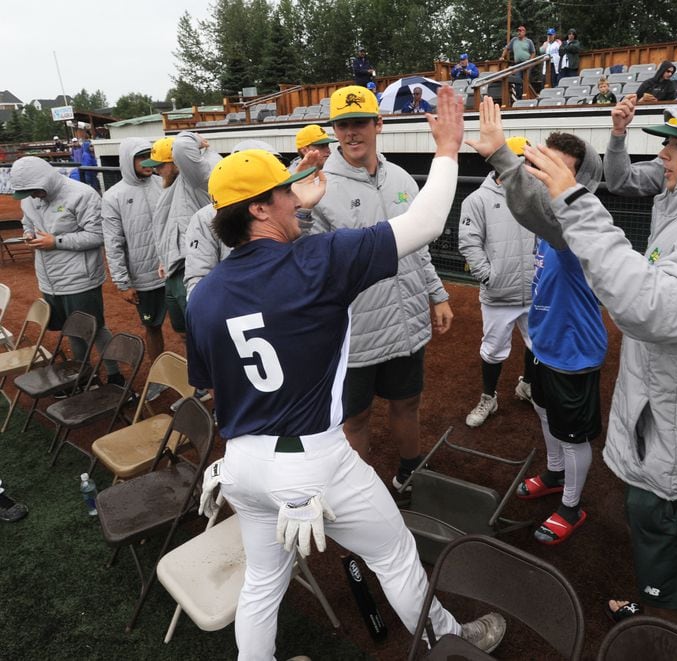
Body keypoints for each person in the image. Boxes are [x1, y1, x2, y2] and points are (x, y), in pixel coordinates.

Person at [187, 86, 506, 661]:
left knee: (262, 584)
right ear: (260, 208)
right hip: (312, 463)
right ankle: (457, 641)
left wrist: (299, 208)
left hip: (241, 465)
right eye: (283, 192)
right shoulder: (317, 259)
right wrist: (448, 148)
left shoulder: (205, 294)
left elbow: (210, 383)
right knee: (395, 556)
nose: (294, 197)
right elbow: (429, 220)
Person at [529, 92, 677, 630]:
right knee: (665, 563)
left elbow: (649, 308)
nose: (663, 155)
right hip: (675, 420)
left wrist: (574, 199)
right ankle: (658, 601)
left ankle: (669, 626)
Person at [467, 103, 608, 547]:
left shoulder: (577, 220)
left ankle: (571, 504)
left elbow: (534, 213)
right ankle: (553, 473)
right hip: (547, 343)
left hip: (573, 351)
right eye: (540, 164)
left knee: (572, 432)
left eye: (556, 169)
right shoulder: (554, 217)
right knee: (546, 414)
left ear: (581, 181)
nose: (543, 175)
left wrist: (502, 161)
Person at [311, 85, 454, 490]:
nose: (351, 133)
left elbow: (417, 245)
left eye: (359, 123)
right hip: (357, 331)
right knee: (355, 417)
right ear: (334, 131)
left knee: (407, 402)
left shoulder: (402, 178)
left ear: (379, 124)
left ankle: (410, 471)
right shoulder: (321, 186)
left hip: (406, 322)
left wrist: (437, 292)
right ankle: (359, 491)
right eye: (343, 125)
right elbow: (309, 260)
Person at [10, 156, 124, 385]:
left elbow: (98, 234)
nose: (33, 196)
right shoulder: (29, 200)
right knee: (69, 329)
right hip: (49, 278)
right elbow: (27, 223)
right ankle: (83, 376)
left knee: (93, 327)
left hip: (80, 278)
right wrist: (28, 235)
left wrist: (57, 241)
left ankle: (115, 375)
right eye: (28, 193)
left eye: (35, 191)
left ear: (46, 180)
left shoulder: (81, 194)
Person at [457, 136, 537, 428]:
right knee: (492, 350)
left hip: (534, 290)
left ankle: (527, 385)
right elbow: (469, 242)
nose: (524, 166)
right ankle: (488, 398)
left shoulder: (537, 193)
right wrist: (488, 276)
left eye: (527, 160)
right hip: (499, 293)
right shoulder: (478, 199)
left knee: (537, 345)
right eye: (519, 159)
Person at [185, 140, 310, 298]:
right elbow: (198, 280)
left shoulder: (286, 204)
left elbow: (300, 253)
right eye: (263, 165)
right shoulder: (205, 217)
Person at [101, 138, 168, 398]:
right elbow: (113, 243)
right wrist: (122, 282)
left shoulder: (164, 183)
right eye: (140, 157)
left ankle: (196, 380)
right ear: (128, 160)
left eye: (149, 156)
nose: (147, 162)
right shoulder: (113, 196)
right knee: (153, 327)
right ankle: (161, 377)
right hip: (144, 277)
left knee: (188, 327)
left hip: (173, 271)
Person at [149, 131, 220, 336]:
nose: (156, 171)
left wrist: (196, 139)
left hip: (191, 267)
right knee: (182, 331)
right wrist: (164, 259)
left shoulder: (194, 180)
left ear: (175, 163)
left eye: (160, 165)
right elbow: (169, 227)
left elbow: (181, 147)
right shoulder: (171, 187)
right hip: (173, 269)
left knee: (200, 331)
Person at [501, 24, 536, 100]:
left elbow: (533, 52)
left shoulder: (529, 41)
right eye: (518, 31)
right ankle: (519, 98)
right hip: (517, 64)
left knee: (526, 80)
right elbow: (507, 48)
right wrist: (502, 57)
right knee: (517, 80)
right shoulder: (514, 40)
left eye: (521, 31)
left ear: (524, 32)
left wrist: (530, 61)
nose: (519, 32)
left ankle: (526, 97)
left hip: (527, 63)